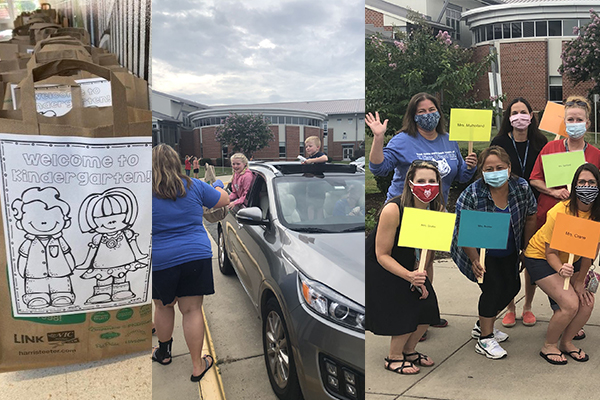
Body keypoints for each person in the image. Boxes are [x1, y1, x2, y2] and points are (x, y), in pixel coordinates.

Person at [152, 144, 229, 382]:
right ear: (177, 163)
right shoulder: (194, 186)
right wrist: (216, 185)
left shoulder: (143, 192)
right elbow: (223, 200)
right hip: (195, 255)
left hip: (159, 259)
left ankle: (163, 353)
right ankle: (197, 365)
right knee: (192, 310)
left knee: (163, 307)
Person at [451, 146, 537, 359]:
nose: (495, 171)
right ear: (481, 171)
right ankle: (485, 339)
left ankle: (482, 324)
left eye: (499, 167)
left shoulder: (521, 187)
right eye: (489, 168)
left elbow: (531, 216)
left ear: (509, 168)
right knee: (493, 289)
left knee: (513, 286)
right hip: (481, 253)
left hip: (509, 249)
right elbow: (463, 228)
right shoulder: (472, 193)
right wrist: (473, 259)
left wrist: (525, 249)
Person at [366, 160, 443, 374]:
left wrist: (422, 275)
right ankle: (394, 357)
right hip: (383, 263)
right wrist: (409, 276)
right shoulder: (394, 209)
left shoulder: (437, 209)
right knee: (406, 305)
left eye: (431, 181)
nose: (427, 185)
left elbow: (428, 248)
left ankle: (410, 351)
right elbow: (381, 254)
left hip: (412, 263)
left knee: (428, 306)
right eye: (421, 181)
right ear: (410, 183)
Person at [523, 163, 598, 365]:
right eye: (582, 182)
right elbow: (550, 252)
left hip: (571, 259)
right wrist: (560, 270)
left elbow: (589, 252)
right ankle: (549, 345)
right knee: (569, 303)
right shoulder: (559, 212)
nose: (587, 186)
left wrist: (581, 280)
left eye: (592, 182)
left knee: (586, 303)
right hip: (541, 257)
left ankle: (566, 342)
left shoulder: (597, 214)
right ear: (574, 186)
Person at [491, 97, 548, 328]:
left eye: (524, 112)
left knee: (530, 256)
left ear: (531, 116)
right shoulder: (500, 141)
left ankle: (528, 307)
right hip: (507, 206)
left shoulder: (541, 141)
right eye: (514, 112)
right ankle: (510, 307)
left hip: (535, 207)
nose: (519, 117)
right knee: (509, 259)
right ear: (509, 117)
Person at [367, 92, 478, 204]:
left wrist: (469, 166)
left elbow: (461, 177)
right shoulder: (401, 141)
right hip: (404, 209)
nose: (428, 114)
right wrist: (378, 137)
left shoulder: (449, 140)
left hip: (436, 210)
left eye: (432, 109)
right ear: (414, 116)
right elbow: (379, 169)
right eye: (422, 111)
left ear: (439, 112)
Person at [530, 96, 600, 230]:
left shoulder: (596, 155)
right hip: (549, 214)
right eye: (570, 119)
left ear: (587, 123)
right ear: (564, 122)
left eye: (579, 120)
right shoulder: (550, 148)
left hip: (582, 219)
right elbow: (534, 179)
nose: (575, 123)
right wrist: (553, 192)